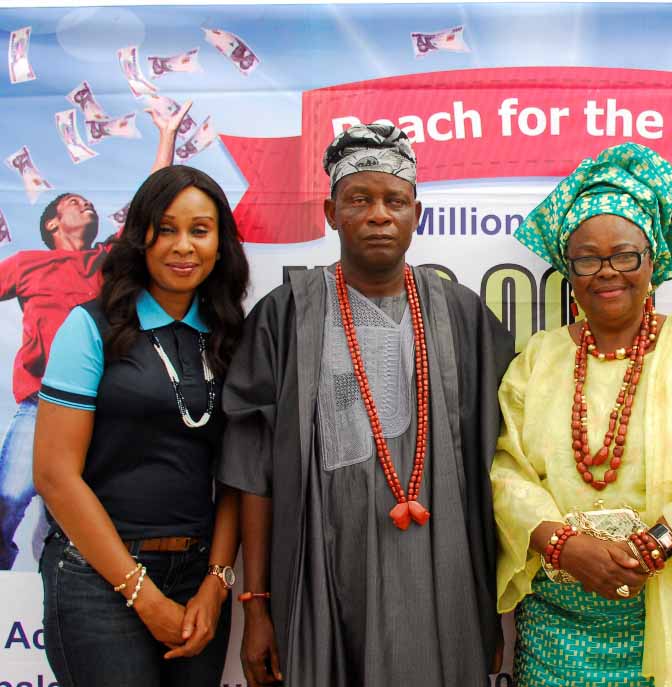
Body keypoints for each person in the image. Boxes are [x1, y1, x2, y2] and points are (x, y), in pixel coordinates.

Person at [217, 121, 515, 686]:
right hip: (325, 573)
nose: (379, 214)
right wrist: (255, 603)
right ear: (331, 213)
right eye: (360, 199)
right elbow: (252, 473)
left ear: (417, 213)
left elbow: (507, 469)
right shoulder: (284, 316)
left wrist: (494, 612)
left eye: (394, 201)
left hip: (443, 578)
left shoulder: (461, 315)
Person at [491, 142, 672, 687]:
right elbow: (507, 473)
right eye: (588, 258)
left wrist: (654, 547)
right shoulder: (539, 361)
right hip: (560, 627)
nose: (607, 272)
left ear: (655, 258)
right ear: (567, 268)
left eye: (625, 254)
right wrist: (564, 546)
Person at [32, 165, 249, 686]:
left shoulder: (230, 338)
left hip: (197, 582)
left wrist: (216, 583)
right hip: (96, 579)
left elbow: (239, 473)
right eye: (166, 229)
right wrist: (142, 595)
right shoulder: (90, 327)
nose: (183, 246)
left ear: (220, 244)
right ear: (140, 237)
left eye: (200, 230)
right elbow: (55, 476)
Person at [0, 104, 192, 570]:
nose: (85, 204)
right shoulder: (26, 263)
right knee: (8, 499)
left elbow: (151, 203)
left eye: (88, 203)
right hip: (41, 404)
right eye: (72, 203)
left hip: (104, 403)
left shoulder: (108, 259)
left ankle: (61, 581)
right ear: (51, 224)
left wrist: (166, 135)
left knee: (76, 510)